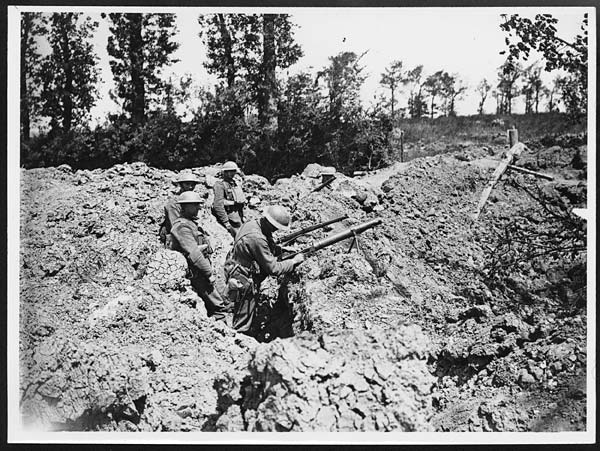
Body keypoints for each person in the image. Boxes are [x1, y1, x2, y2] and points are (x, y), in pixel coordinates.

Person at [223, 205, 304, 339]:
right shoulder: (257, 238)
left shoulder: (252, 224)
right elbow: (274, 269)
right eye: (275, 227)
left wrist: (279, 249)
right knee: (243, 317)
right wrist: (293, 262)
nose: (275, 230)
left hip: (236, 268)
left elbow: (264, 244)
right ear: (269, 222)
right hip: (244, 278)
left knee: (242, 309)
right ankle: (237, 342)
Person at [170, 191, 228, 322]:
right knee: (218, 305)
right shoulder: (182, 227)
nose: (199, 208)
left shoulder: (190, 223)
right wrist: (208, 273)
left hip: (201, 268)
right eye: (195, 205)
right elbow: (194, 253)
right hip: (197, 271)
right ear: (184, 207)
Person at [159, 172, 202, 247]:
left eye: (193, 184)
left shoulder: (192, 200)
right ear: (181, 185)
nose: (190, 187)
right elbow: (176, 226)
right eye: (187, 184)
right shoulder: (173, 203)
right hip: (176, 236)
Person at [212, 161, 246, 238]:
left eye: (233, 171)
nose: (231, 173)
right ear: (224, 172)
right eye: (228, 171)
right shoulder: (220, 185)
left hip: (238, 215)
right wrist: (225, 221)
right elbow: (218, 205)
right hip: (230, 216)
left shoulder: (235, 183)